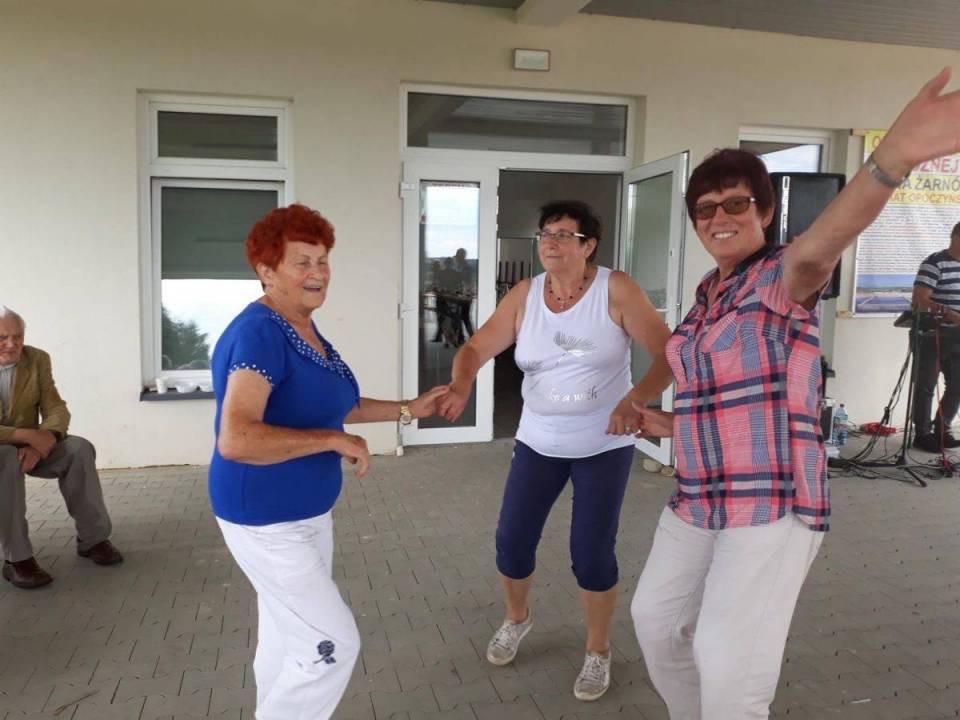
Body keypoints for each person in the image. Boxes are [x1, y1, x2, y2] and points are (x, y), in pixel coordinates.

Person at [630, 68, 960, 719]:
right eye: (705, 208)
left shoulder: (780, 278)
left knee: (727, 656)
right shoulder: (707, 295)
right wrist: (666, 424)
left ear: (765, 211)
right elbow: (725, 396)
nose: (718, 217)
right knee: (655, 622)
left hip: (771, 501)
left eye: (735, 204)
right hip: (698, 495)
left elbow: (822, 245)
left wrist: (892, 158)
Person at [209, 204, 447, 720]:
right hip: (266, 517)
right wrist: (333, 441)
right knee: (330, 646)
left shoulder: (301, 327)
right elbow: (237, 438)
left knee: (287, 639)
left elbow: (335, 405)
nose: (317, 273)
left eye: (322, 260)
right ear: (267, 271)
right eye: (301, 262)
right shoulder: (260, 333)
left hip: (306, 513)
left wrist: (409, 408)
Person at [437, 200, 673, 701]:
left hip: (603, 443)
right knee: (512, 540)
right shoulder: (525, 295)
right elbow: (475, 347)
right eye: (545, 234)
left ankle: (598, 650)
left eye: (565, 235)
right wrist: (461, 383)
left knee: (591, 553)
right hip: (538, 441)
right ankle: (517, 618)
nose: (550, 243)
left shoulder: (615, 289)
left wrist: (634, 399)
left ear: (589, 246)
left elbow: (668, 355)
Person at [0, 306, 122, 589]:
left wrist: (45, 440)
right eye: (3, 337)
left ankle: (93, 539)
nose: (12, 344)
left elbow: (55, 407)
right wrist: (28, 436)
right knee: (6, 458)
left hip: (33, 444)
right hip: (7, 447)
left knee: (79, 449)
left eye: (18, 336)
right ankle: (17, 559)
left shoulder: (37, 359)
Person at [911, 220, 960, 452]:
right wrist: (949, 313)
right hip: (934, 334)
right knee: (926, 385)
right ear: (956, 238)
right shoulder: (934, 263)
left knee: (958, 384)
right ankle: (922, 434)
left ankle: (942, 429)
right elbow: (920, 300)